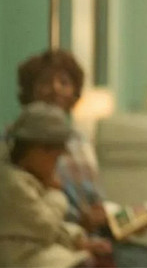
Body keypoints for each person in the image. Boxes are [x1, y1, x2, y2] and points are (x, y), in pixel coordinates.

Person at [16, 49, 147, 268]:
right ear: (30, 90)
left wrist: (132, 219)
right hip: (59, 241)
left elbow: (96, 202)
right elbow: (26, 212)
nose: (55, 89)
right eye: (46, 82)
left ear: (74, 92)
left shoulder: (79, 142)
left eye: (64, 82)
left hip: (96, 236)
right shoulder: (19, 143)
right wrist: (79, 224)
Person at [0, 101, 113, 268]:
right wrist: (55, 193)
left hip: (41, 252)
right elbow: (46, 227)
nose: (55, 166)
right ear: (37, 150)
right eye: (54, 157)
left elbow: (52, 228)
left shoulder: (30, 180)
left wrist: (78, 240)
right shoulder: (13, 183)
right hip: (24, 259)